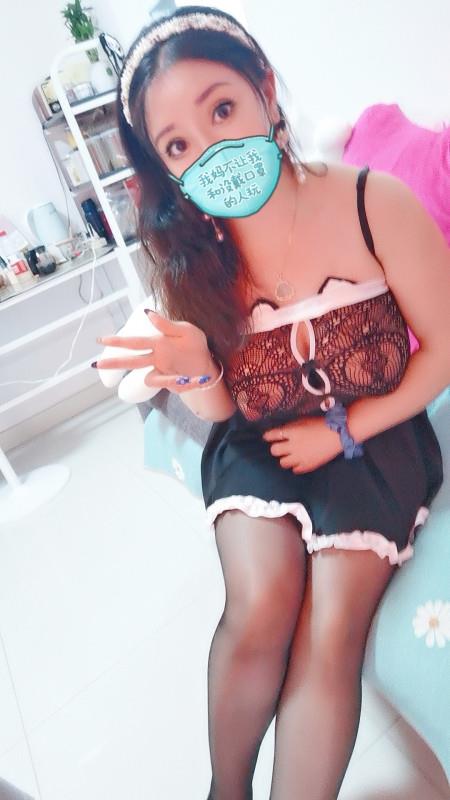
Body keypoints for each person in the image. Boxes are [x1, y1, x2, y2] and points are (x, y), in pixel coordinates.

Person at [93, 6, 449, 799]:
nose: (211, 150)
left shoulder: (373, 201)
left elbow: (445, 349)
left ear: (264, 89)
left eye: (221, 108)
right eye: (178, 145)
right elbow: (224, 413)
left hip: (372, 436)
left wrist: (340, 434)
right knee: (259, 605)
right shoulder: (191, 255)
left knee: (330, 631)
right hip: (257, 437)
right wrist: (195, 371)